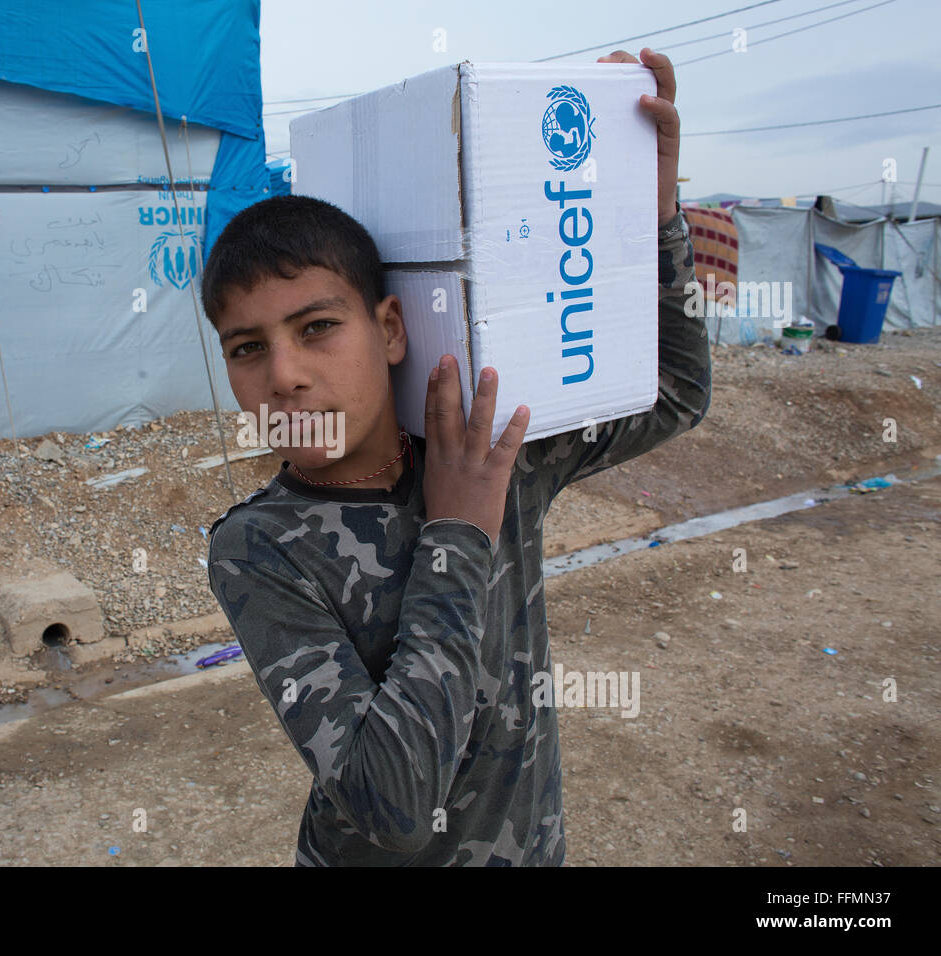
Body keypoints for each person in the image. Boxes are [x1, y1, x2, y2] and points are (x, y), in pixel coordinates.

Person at [200, 48, 708, 865]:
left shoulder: (490, 458)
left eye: (318, 327)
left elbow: (677, 394)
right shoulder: (261, 548)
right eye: (246, 349)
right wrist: (459, 534)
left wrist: (653, 218)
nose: (284, 376)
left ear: (390, 328)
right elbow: (392, 805)